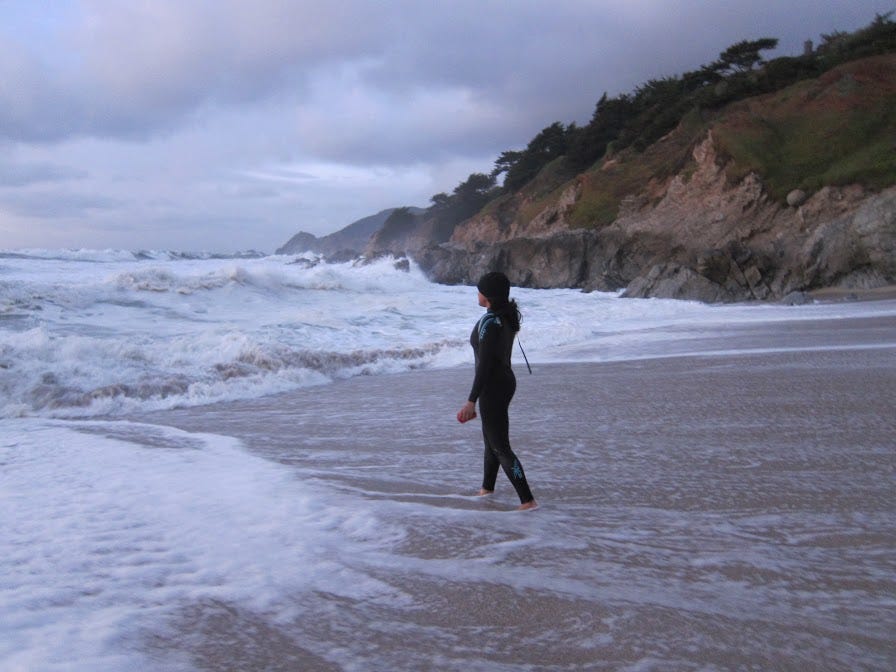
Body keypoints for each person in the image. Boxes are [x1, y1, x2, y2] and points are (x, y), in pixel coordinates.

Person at [457, 271, 537, 510]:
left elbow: (484, 364)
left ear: (488, 296)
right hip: (504, 382)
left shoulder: (489, 322)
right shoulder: (505, 317)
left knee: (500, 446)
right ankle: (486, 489)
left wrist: (471, 400)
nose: (477, 292)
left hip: (492, 386)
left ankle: (527, 500)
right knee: (491, 441)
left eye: (479, 289)